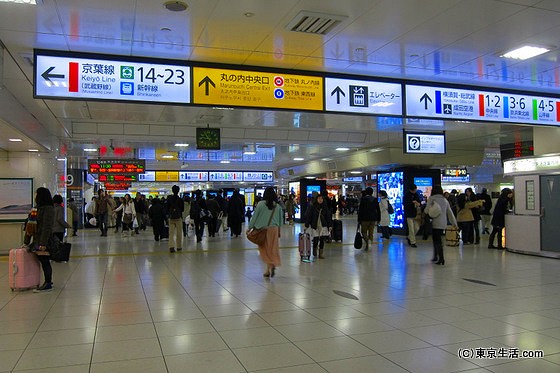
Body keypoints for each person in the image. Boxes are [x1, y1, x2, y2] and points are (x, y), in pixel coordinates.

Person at [248, 187, 283, 278]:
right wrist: (279, 230)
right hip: (274, 229)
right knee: (273, 248)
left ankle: (268, 268)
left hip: (263, 230)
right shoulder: (278, 206)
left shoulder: (260, 204)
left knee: (264, 248)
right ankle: (271, 265)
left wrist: (250, 227)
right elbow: (280, 220)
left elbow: (255, 217)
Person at [31, 187, 55, 293]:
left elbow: (47, 226)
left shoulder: (48, 208)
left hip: (44, 239)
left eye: (37, 194)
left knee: (45, 261)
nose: (35, 196)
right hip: (37, 238)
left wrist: (43, 243)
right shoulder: (37, 208)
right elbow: (31, 224)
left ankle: (48, 282)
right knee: (42, 260)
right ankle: (47, 282)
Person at [427, 186, 457, 265]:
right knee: (439, 240)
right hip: (443, 223)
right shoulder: (445, 200)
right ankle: (437, 257)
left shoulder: (431, 199)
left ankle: (440, 258)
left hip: (434, 222)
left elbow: (426, 210)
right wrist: (454, 223)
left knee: (436, 240)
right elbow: (450, 213)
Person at [304, 193, 332, 259]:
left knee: (322, 240)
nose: (320, 200)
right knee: (316, 239)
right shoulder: (313, 206)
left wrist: (330, 225)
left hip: (323, 226)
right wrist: (306, 225)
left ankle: (321, 254)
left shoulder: (325, 207)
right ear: (316, 199)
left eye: (321, 198)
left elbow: (328, 217)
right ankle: (314, 249)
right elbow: (309, 216)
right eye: (319, 198)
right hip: (315, 225)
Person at [357, 187, 381, 251]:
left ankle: (367, 242)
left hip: (365, 218)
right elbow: (378, 210)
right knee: (371, 232)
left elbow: (361, 210)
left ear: (366, 192)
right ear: (372, 192)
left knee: (364, 232)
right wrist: (379, 219)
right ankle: (370, 242)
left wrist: (359, 219)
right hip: (373, 218)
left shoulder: (363, 199)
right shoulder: (375, 199)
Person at [166, 185, 184, 252]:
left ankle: (171, 247)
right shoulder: (180, 200)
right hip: (178, 217)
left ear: (172, 190)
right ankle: (179, 247)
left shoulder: (169, 199)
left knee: (171, 233)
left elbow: (167, 208)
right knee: (179, 233)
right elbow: (182, 209)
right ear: (178, 191)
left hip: (171, 218)